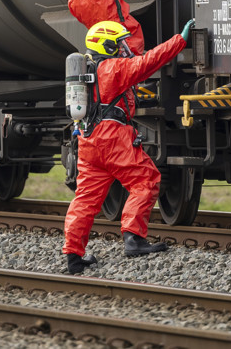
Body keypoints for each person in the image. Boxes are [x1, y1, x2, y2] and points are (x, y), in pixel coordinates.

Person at [63, 17, 194, 273]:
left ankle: (73, 256)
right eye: (119, 43)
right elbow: (148, 62)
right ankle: (134, 238)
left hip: (88, 139)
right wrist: (180, 40)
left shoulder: (85, 71)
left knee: (86, 199)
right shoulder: (113, 69)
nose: (124, 48)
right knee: (145, 180)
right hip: (113, 137)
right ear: (107, 46)